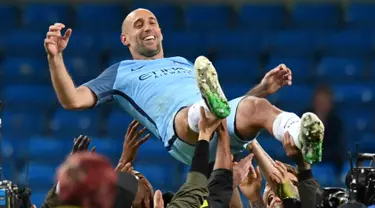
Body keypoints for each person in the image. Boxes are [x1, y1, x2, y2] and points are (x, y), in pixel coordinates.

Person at [44, 8, 325, 165]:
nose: (148, 27)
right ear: (125, 39)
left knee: (257, 106)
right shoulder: (120, 72)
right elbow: (73, 100)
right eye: (138, 25)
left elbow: (226, 109)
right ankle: (202, 110)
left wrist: (262, 88)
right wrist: (55, 58)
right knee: (194, 112)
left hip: (218, 125)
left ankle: (302, 135)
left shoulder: (184, 63)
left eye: (152, 22)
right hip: (184, 137)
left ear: (161, 32)